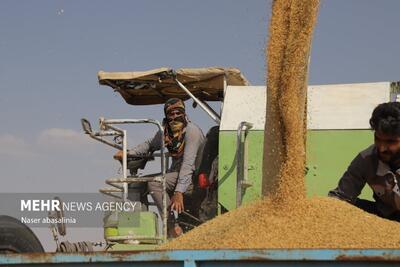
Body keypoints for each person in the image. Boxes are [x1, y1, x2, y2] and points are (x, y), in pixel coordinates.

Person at [114, 98, 205, 235]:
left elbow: (188, 165)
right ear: (166, 116)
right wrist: (128, 153)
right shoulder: (167, 132)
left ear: (184, 113)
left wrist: (179, 192)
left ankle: (171, 227)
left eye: (178, 113)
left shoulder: (192, 132)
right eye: (171, 114)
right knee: (137, 184)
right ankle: (138, 229)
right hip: (175, 174)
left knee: (155, 183)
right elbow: (150, 144)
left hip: (192, 176)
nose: (175, 117)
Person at [329, 102, 400, 221]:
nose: (382, 148)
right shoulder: (366, 159)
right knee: (340, 207)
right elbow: (340, 197)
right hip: (386, 216)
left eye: (390, 142)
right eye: (377, 139)